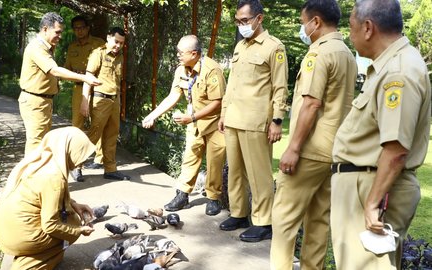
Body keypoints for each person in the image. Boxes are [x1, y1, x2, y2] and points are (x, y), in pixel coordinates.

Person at [330, 0, 431, 269]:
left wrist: (373, 203)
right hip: (365, 183)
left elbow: (397, 149)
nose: (349, 35)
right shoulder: (387, 67)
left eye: (350, 27)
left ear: (367, 28)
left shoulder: (398, 72)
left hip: (373, 188)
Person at [269, 0, 357, 269]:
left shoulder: (318, 54)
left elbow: (311, 103)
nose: (302, 28)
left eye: (302, 22)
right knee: (318, 221)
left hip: (310, 150)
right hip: (335, 151)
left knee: (284, 220)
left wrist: (293, 148)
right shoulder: (346, 53)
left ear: (315, 22)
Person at [218, 0, 289, 243]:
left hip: (256, 121)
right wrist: (223, 113)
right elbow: (232, 84)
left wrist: (277, 120)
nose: (241, 25)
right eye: (238, 21)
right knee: (235, 172)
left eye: (245, 20)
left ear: (259, 18)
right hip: (234, 119)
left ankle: (263, 222)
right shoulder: (240, 47)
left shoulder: (274, 47)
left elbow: (280, 88)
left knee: (259, 175)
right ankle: (238, 213)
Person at [142, 35, 226, 216]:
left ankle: (213, 198)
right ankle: (182, 194)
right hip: (194, 122)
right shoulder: (181, 69)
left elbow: (217, 102)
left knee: (215, 162)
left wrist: (192, 117)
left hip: (214, 123)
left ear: (194, 53)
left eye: (181, 52)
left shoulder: (212, 70)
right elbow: (173, 96)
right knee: (189, 158)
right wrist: (153, 115)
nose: (178, 55)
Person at [0, 127, 96, 269]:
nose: (82, 164)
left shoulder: (41, 160)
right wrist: (78, 230)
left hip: (6, 229)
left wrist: (74, 204)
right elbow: (50, 225)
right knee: (73, 222)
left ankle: (38, 252)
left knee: (69, 218)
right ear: (68, 151)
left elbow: (40, 196)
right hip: (19, 237)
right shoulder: (54, 178)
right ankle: (32, 262)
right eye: (80, 154)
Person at [19, 12, 101, 156]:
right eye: (57, 32)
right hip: (35, 101)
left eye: (61, 32)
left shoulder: (48, 47)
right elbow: (55, 70)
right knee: (36, 143)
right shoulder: (37, 48)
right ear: (45, 29)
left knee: (42, 142)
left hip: (44, 101)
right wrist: (84, 78)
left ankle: (38, 176)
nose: (60, 36)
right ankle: (28, 177)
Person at [79, 27, 130, 180]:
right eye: (116, 42)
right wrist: (84, 100)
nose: (118, 46)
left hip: (115, 100)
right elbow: (89, 77)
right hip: (100, 99)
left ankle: (110, 169)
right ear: (108, 37)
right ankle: (76, 166)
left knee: (111, 135)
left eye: (121, 43)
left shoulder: (120, 56)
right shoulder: (98, 53)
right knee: (93, 135)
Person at [64, 15, 106, 181]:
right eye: (76, 28)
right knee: (77, 126)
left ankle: (99, 158)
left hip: (98, 89)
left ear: (88, 28)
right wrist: (79, 76)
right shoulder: (72, 46)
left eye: (82, 27)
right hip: (79, 90)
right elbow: (67, 69)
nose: (79, 31)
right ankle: (77, 166)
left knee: (100, 122)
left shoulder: (99, 43)